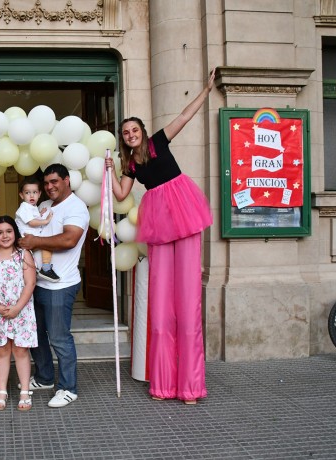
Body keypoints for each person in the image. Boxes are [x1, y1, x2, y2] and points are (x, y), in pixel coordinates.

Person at [104, 68, 216, 405]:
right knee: (161, 300)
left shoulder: (158, 142)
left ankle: (191, 387)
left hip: (181, 205)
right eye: (126, 132)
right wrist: (109, 172)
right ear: (123, 139)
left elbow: (184, 116)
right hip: (158, 216)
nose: (131, 135)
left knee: (187, 296)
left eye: (134, 129)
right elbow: (122, 195)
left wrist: (206, 89)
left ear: (142, 132)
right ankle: (164, 384)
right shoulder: (130, 166)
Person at [19, 164, 89, 408]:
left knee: (59, 337)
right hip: (36, 282)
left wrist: (34, 241)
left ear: (67, 180)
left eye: (54, 182)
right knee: (36, 335)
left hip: (61, 285)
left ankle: (69, 388)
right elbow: (30, 228)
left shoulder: (76, 207)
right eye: (46, 183)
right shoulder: (45, 206)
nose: (49, 187)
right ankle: (45, 377)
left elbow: (69, 239)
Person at [0, 216, 37, 411]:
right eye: (0, 232)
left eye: (8, 231)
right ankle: (2, 391)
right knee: (2, 350)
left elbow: (30, 283)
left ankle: (25, 392)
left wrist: (18, 307)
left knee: (21, 350)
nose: (5, 236)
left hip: (22, 310)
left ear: (15, 232)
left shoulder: (24, 254)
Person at [15, 177, 58, 282]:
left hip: (32, 238)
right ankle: (46, 269)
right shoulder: (24, 207)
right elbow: (31, 222)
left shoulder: (32, 207)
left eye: (34, 192)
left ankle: (40, 270)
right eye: (27, 193)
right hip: (27, 239)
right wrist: (46, 220)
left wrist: (40, 214)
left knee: (33, 258)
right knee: (47, 245)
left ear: (39, 194)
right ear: (21, 195)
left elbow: (33, 217)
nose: (31, 195)